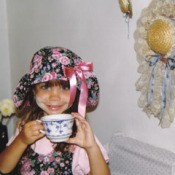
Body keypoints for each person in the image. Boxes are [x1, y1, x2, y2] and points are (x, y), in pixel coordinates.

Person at [0, 46, 110, 175]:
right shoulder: (26, 127)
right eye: (45, 87)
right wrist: (21, 140)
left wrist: (91, 147)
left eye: (64, 88)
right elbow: (3, 167)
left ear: (76, 93)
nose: (54, 97)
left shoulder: (80, 133)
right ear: (34, 91)